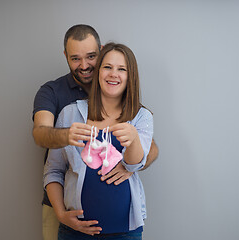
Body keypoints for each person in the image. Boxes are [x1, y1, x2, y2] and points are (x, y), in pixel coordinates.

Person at [32, 25, 159, 240]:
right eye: (107, 67)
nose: (84, 65)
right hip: (72, 228)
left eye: (122, 69)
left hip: (124, 232)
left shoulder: (140, 116)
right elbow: (44, 144)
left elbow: (140, 158)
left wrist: (134, 145)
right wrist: (61, 214)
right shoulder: (66, 108)